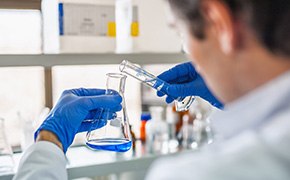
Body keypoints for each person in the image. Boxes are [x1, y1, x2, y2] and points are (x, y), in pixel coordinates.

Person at [14, 0, 290, 179]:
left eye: (182, 35)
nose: (188, 53)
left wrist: (49, 139)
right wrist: (237, 98)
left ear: (220, 23)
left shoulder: (202, 174)